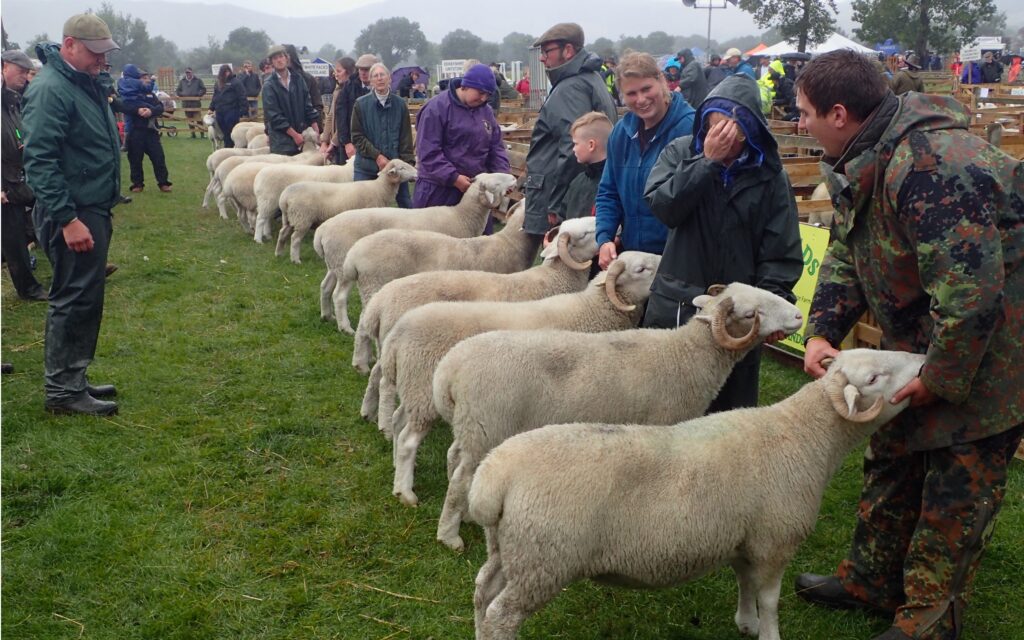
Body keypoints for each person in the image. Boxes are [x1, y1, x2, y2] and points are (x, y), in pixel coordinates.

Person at [792, 49, 1023, 640]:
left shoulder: (932, 168)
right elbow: (848, 247)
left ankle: (928, 619)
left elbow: (973, 296)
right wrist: (824, 327)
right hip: (921, 334)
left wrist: (941, 377)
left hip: (995, 347)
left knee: (956, 481)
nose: (800, 124)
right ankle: (871, 580)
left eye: (806, 113)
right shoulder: (862, 156)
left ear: (839, 113)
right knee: (892, 454)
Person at [642, 74, 802, 411]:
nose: (725, 135)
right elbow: (664, 207)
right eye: (716, 124)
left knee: (728, 417)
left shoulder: (769, 174)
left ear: (750, 129)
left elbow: (780, 249)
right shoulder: (680, 152)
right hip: (677, 306)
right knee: (668, 411)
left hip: (738, 315)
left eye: (734, 126)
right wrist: (706, 163)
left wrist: (772, 302)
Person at [22, 13, 123, 416]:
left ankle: (73, 376)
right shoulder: (51, 89)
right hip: (73, 210)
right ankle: (62, 390)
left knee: (85, 296)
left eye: (105, 53)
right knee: (73, 297)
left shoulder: (82, 81)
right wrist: (67, 218)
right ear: (69, 45)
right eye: (94, 53)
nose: (102, 60)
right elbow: (40, 160)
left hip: (89, 205)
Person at [595, 51, 695, 269]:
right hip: (634, 260)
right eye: (631, 93)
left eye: (646, 89)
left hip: (678, 261)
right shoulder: (621, 134)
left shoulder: (690, 129)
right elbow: (609, 192)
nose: (641, 99)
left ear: (661, 81)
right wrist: (604, 237)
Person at [523, 22, 618, 243]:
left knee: (564, 266)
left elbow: (573, 148)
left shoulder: (571, 88)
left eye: (547, 51)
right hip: (582, 192)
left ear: (568, 51)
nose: (542, 58)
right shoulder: (588, 79)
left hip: (570, 198)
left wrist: (558, 204)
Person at [412, 63, 509, 221]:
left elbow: (496, 147)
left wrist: (501, 175)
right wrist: (454, 178)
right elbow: (428, 152)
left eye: (488, 95)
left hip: (475, 190)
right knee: (437, 243)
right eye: (480, 92)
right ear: (465, 86)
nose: (484, 98)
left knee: (476, 242)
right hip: (438, 192)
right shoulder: (436, 108)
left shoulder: (486, 111)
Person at [2, 49, 47, 301]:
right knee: (14, 239)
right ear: (4, 67)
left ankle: (76, 267)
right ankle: (28, 289)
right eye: (21, 71)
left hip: (19, 178)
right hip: (5, 187)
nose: (25, 76)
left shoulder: (12, 102)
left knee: (40, 220)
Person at [350, 63, 414, 208]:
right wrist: (377, 156)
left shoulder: (400, 105)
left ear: (389, 78)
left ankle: (407, 231)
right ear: (371, 81)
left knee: (406, 204)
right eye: (375, 76)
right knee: (361, 209)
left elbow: (405, 138)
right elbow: (357, 136)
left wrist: (409, 164)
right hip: (367, 167)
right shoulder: (360, 104)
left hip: (395, 167)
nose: (379, 79)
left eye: (382, 75)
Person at [118, 65, 172, 193]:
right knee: (135, 159)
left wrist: (150, 111)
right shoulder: (128, 97)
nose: (145, 80)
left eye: (145, 78)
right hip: (135, 131)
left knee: (158, 158)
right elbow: (124, 107)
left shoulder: (150, 95)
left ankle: (163, 183)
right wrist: (137, 110)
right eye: (142, 77)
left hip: (151, 132)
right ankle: (137, 184)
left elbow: (160, 108)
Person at [261, 44, 319, 155]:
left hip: (301, 139)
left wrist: (316, 131)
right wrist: (295, 135)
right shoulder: (269, 85)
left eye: (281, 56)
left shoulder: (298, 79)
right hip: (281, 143)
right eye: (275, 58)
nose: (279, 60)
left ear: (287, 58)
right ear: (271, 62)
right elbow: (274, 116)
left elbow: (308, 106)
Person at [562, 111, 611, 220]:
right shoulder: (577, 182)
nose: (573, 149)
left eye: (576, 143)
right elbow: (563, 216)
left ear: (591, 145)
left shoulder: (614, 184)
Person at [334, 53, 377, 166]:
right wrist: (347, 143)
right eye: (360, 69)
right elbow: (341, 116)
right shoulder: (348, 87)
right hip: (352, 145)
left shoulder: (382, 89)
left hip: (375, 145)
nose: (363, 73)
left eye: (367, 69)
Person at [319, 57, 355, 162]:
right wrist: (324, 141)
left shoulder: (352, 92)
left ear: (348, 72)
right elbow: (330, 116)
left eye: (339, 71)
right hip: (336, 144)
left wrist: (333, 143)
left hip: (347, 143)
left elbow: (344, 122)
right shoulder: (337, 91)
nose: (336, 74)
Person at [208, 64, 249, 149]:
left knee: (231, 131)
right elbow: (215, 96)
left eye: (228, 71)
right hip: (220, 111)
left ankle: (231, 147)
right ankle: (228, 147)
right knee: (224, 132)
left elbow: (242, 96)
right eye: (224, 72)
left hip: (232, 111)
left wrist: (244, 110)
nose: (227, 73)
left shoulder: (236, 82)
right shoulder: (218, 83)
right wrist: (211, 108)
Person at [283, 44, 323, 130]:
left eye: (283, 55)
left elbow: (317, 106)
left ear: (290, 57)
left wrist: (317, 129)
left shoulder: (307, 79)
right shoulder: (274, 82)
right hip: (283, 130)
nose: (281, 60)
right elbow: (271, 111)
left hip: (306, 129)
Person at [175, 67, 206, 138]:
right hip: (186, 104)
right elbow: (178, 90)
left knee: (198, 119)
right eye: (186, 72)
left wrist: (198, 94)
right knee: (189, 120)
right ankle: (193, 134)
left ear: (192, 72)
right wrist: (182, 94)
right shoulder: (182, 81)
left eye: (189, 72)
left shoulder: (198, 80)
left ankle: (202, 134)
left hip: (196, 103)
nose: (188, 74)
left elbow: (203, 89)